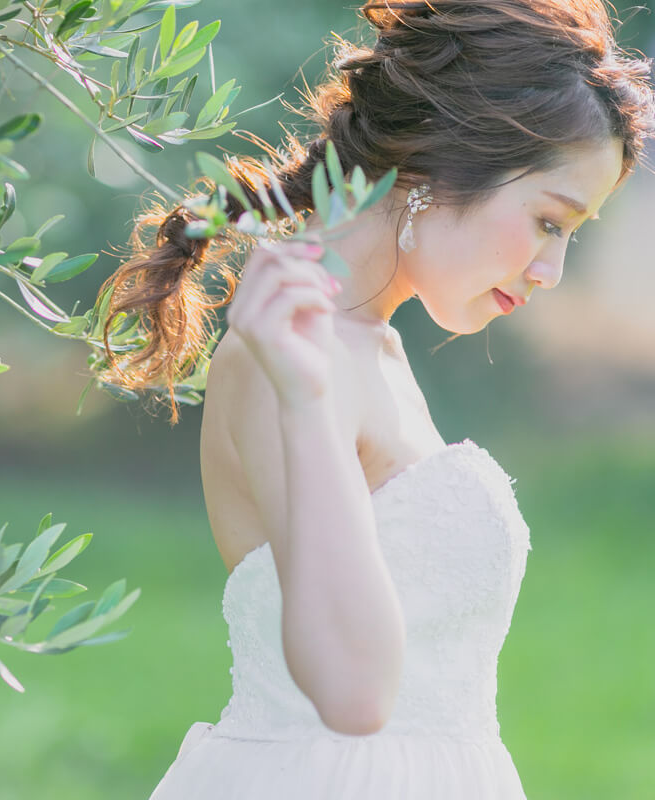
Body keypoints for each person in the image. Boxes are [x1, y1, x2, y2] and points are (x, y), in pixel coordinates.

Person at [91, 1, 654, 797]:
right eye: (547, 222)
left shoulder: (376, 348)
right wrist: (306, 398)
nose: (549, 272)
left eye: (572, 235)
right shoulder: (281, 359)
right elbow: (355, 694)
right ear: (433, 167)